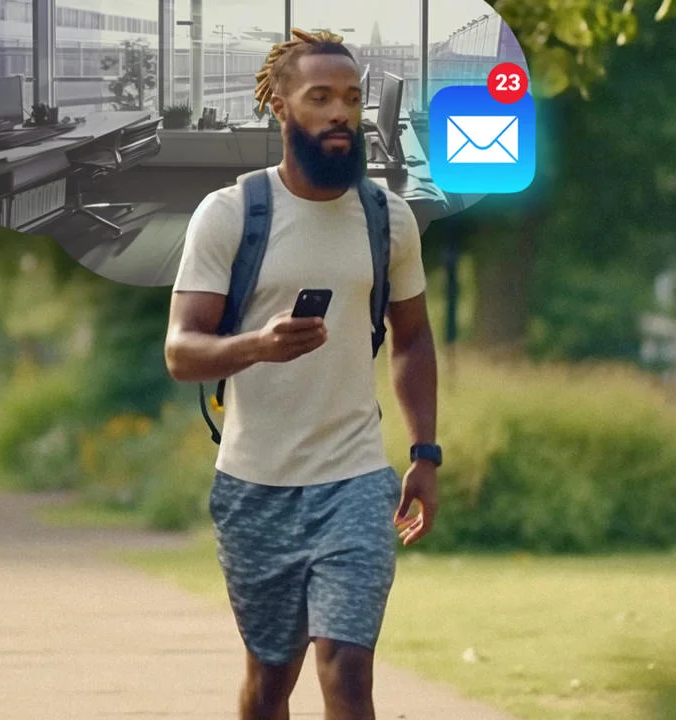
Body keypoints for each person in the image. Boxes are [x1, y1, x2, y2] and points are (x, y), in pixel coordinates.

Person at [164, 28, 441, 720]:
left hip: (353, 480)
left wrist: (425, 454)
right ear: (282, 109)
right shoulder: (231, 215)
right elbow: (181, 351)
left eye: (351, 98)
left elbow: (412, 340)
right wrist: (256, 345)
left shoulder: (389, 220)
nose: (340, 112)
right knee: (270, 681)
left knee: (347, 671)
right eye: (320, 98)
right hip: (256, 484)